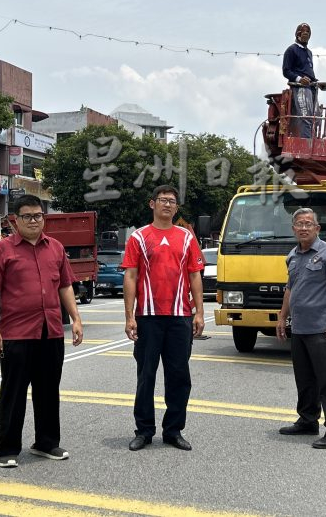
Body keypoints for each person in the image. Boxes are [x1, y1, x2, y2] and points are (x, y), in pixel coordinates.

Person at [0, 194, 84, 468]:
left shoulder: (56, 248)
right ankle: (8, 448)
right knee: (14, 392)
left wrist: (75, 318)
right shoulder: (2, 250)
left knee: (48, 390)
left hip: (50, 331)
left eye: (38, 216)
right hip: (16, 333)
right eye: (28, 216)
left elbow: (64, 286)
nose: (34, 221)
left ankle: (46, 442)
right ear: (16, 220)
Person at [122, 184, 205, 452]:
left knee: (179, 377)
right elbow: (131, 276)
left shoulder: (187, 237)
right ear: (152, 204)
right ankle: (144, 430)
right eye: (162, 200)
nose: (167, 205)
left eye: (172, 201)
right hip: (147, 317)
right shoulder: (138, 237)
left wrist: (200, 312)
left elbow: (194, 275)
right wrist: (129, 316)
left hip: (180, 317)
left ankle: (173, 430)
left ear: (176, 207)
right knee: (146, 376)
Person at [275, 208, 326, 449]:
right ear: (293, 229)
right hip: (299, 328)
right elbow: (290, 289)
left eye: (309, 224)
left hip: (321, 329)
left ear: (317, 228)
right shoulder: (293, 256)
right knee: (305, 379)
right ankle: (307, 420)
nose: (304, 228)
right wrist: (282, 318)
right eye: (299, 224)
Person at [281, 22, 321, 138]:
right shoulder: (291, 50)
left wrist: (318, 83)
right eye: (303, 33)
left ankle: (312, 140)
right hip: (300, 88)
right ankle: (306, 143)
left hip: (312, 87)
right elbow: (286, 71)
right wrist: (299, 79)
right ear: (297, 34)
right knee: (305, 116)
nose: (305, 35)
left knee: (316, 118)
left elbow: (307, 70)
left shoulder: (309, 52)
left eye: (308, 33)